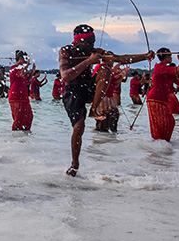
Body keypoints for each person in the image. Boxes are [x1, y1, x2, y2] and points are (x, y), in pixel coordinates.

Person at [59, 24, 153, 175]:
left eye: (93, 42)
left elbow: (121, 58)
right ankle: (75, 164)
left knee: (105, 68)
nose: (91, 46)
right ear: (76, 42)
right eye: (87, 43)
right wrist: (88, 62)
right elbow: (65, 76)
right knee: (79, 127)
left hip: (88, 88)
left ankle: (94, 108)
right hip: (73, 91)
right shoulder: (66, 51)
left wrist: (144, 56)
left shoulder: (96, 52)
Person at [146, 48, 179, 141]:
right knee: (161, 124)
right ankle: (159, 144)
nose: (171, 57)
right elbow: (177, 70)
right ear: (166, 57)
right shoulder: (160, 67)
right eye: (169, 56)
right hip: (155, 98)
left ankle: (164, 143)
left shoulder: (167, 69)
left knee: (170, 122)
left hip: (162, 98)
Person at [93, 57, 129, 132]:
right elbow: (113, 75)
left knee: (114, 116)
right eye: (113, 61)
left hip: (109, 96)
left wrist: (124, 73)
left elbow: (115, 82)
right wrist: (122, 69)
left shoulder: (109, 70)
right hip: (102, 97)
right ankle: (100, 136)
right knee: (103, 119)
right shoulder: (101, 67)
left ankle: (111, 137)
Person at [8, 50, 34, 131]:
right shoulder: (13, 68)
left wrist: (32, 72)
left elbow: (26, 81)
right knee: (18, 119)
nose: (26, 60)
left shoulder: (22, 69)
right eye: (25, 58)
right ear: (20, 58)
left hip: (24, 97)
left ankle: (24, 139)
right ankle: (15, 140)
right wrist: (26, 66)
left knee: (29, 117)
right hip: (15, 97)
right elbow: (20, 74)